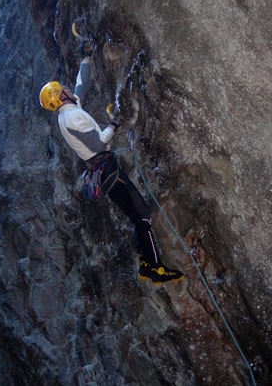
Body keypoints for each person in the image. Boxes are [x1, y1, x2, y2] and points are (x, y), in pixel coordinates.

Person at [39, 41, 184, 285]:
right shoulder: (72, 117)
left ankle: (147, 264)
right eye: (61, 88)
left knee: (136, 216)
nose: (65, 87)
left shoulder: (67, 112)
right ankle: (155, 269)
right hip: (106, 167)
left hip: (102, 171)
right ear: (59, 96)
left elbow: (80, 87)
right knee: (142, 216)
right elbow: (98, 143)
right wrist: (114, 123)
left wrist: (86, 58)